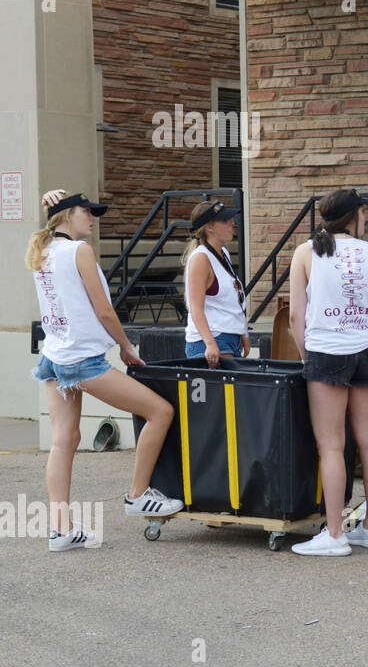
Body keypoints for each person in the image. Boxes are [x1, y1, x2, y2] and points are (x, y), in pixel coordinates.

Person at [29, 190, 182, 551]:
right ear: (66, 215)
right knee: (160, 411)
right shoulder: (78, 251)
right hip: (82, 359)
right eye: (87, 211)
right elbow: (105, 311)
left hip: (53, 356)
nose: (93, 218)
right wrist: (127, 347)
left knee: (63, 440)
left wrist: (48, 200)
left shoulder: (41, 250)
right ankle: (138, 495)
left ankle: (61, 530)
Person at [288, 188, 368, 557]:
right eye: (363, 212)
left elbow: (296, 316)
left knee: (331, 446)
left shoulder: (305, 252)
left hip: (327, 351)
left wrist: (305, 357)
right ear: (353, 216)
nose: (366, 218)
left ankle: (334, 534)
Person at [183, 199, 250, 366]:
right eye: (225, 221)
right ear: (209, 227)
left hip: (228, 337)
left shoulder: (222, 253)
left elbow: (230, 300)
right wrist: (210, 343)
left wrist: (242, 332)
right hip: (212, 339)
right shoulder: (201, 258)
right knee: (224, 392)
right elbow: (195, 308)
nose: (231, 224)